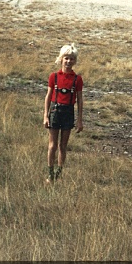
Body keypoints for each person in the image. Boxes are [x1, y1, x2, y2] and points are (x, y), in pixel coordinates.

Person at [43, 43, 84, 183]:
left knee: (63, 145)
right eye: (66, 58)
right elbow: (48, 97)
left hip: (68, 112)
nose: (68, 61)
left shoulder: (77, 79)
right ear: (61, 59)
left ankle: (59, 173)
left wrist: (79, 120)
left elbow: (80, 100)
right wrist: (45, 116)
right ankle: (50, 174)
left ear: (75, 61)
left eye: (71, 59)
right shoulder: (53, 77)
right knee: (52, 145)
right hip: (55, 111)